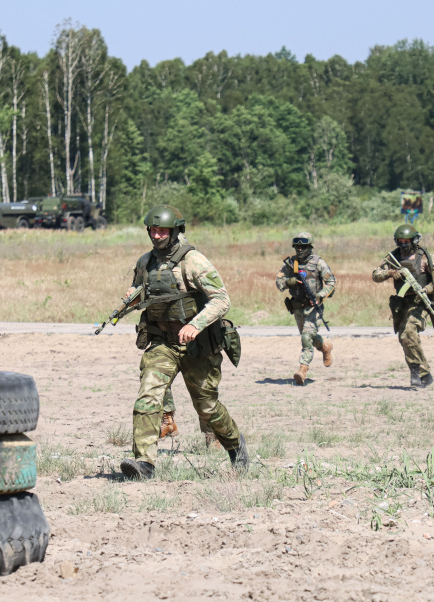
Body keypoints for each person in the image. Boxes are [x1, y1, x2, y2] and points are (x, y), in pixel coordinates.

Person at [120, 205, 246, 480]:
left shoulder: (193, 261)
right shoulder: (145, 262)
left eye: (162, 230)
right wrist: (132, 295)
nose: (156, 235)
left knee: (207, 408)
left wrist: (195, 324)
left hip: (197, 345)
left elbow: (221, 300)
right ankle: (144, 463)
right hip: (163, 344)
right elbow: (143, 291)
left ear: (175, 231)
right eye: (152, 230)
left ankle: (236, 446)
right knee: (148, 397)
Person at [372, 224, 434, 388]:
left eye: (407, 241)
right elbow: (376, 275)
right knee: (405, 338)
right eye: (401, 241)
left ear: (414, 240)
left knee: (408, 333)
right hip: (401, 303)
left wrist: (427, 289)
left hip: (419, 302)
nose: (404, 244)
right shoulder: (394, 257)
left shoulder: (425, 256)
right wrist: (390, 272)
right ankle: (425, 373)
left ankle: (416, 372)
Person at [274, 231, 336, 385]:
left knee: (306, 338)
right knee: (309, 337)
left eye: (303, 247)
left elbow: (331, 282)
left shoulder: (318, 263)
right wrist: (289, 281)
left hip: (313, 308)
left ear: (309, 247)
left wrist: (320, 296)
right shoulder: (291, 264)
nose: (299, 249)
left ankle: (302, 371)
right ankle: (325, 346)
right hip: (298, 308)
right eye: (297, 247)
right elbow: (279, 281)